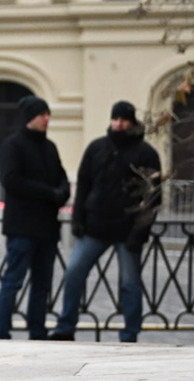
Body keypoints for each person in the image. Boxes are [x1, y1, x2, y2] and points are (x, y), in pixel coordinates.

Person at [48, 101, 162, 343]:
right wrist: (78, 218)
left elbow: (153, 197)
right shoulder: (97, 148)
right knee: (74, 273)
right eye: (115, 119)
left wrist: (139, 233)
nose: (118, 123)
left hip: (128, 229)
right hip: (94, 226)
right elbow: (84, 183)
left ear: (131, 122)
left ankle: (130, 333)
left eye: (123, 119)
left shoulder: (146, 153)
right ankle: (66, 326)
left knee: (130, 283)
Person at [0, 95, 70, 340]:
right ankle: (1, 331)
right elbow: (12, 180)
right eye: (42, 115)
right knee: (13, 281)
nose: (47, 119)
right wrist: (51, 193)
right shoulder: (13, 145)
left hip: (46, 228)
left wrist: (62, 192)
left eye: (48, 114)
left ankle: (37, 330)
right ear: (30, 118)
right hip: (22, 227)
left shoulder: (50, 147)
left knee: (42, 284)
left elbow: (61, 176)